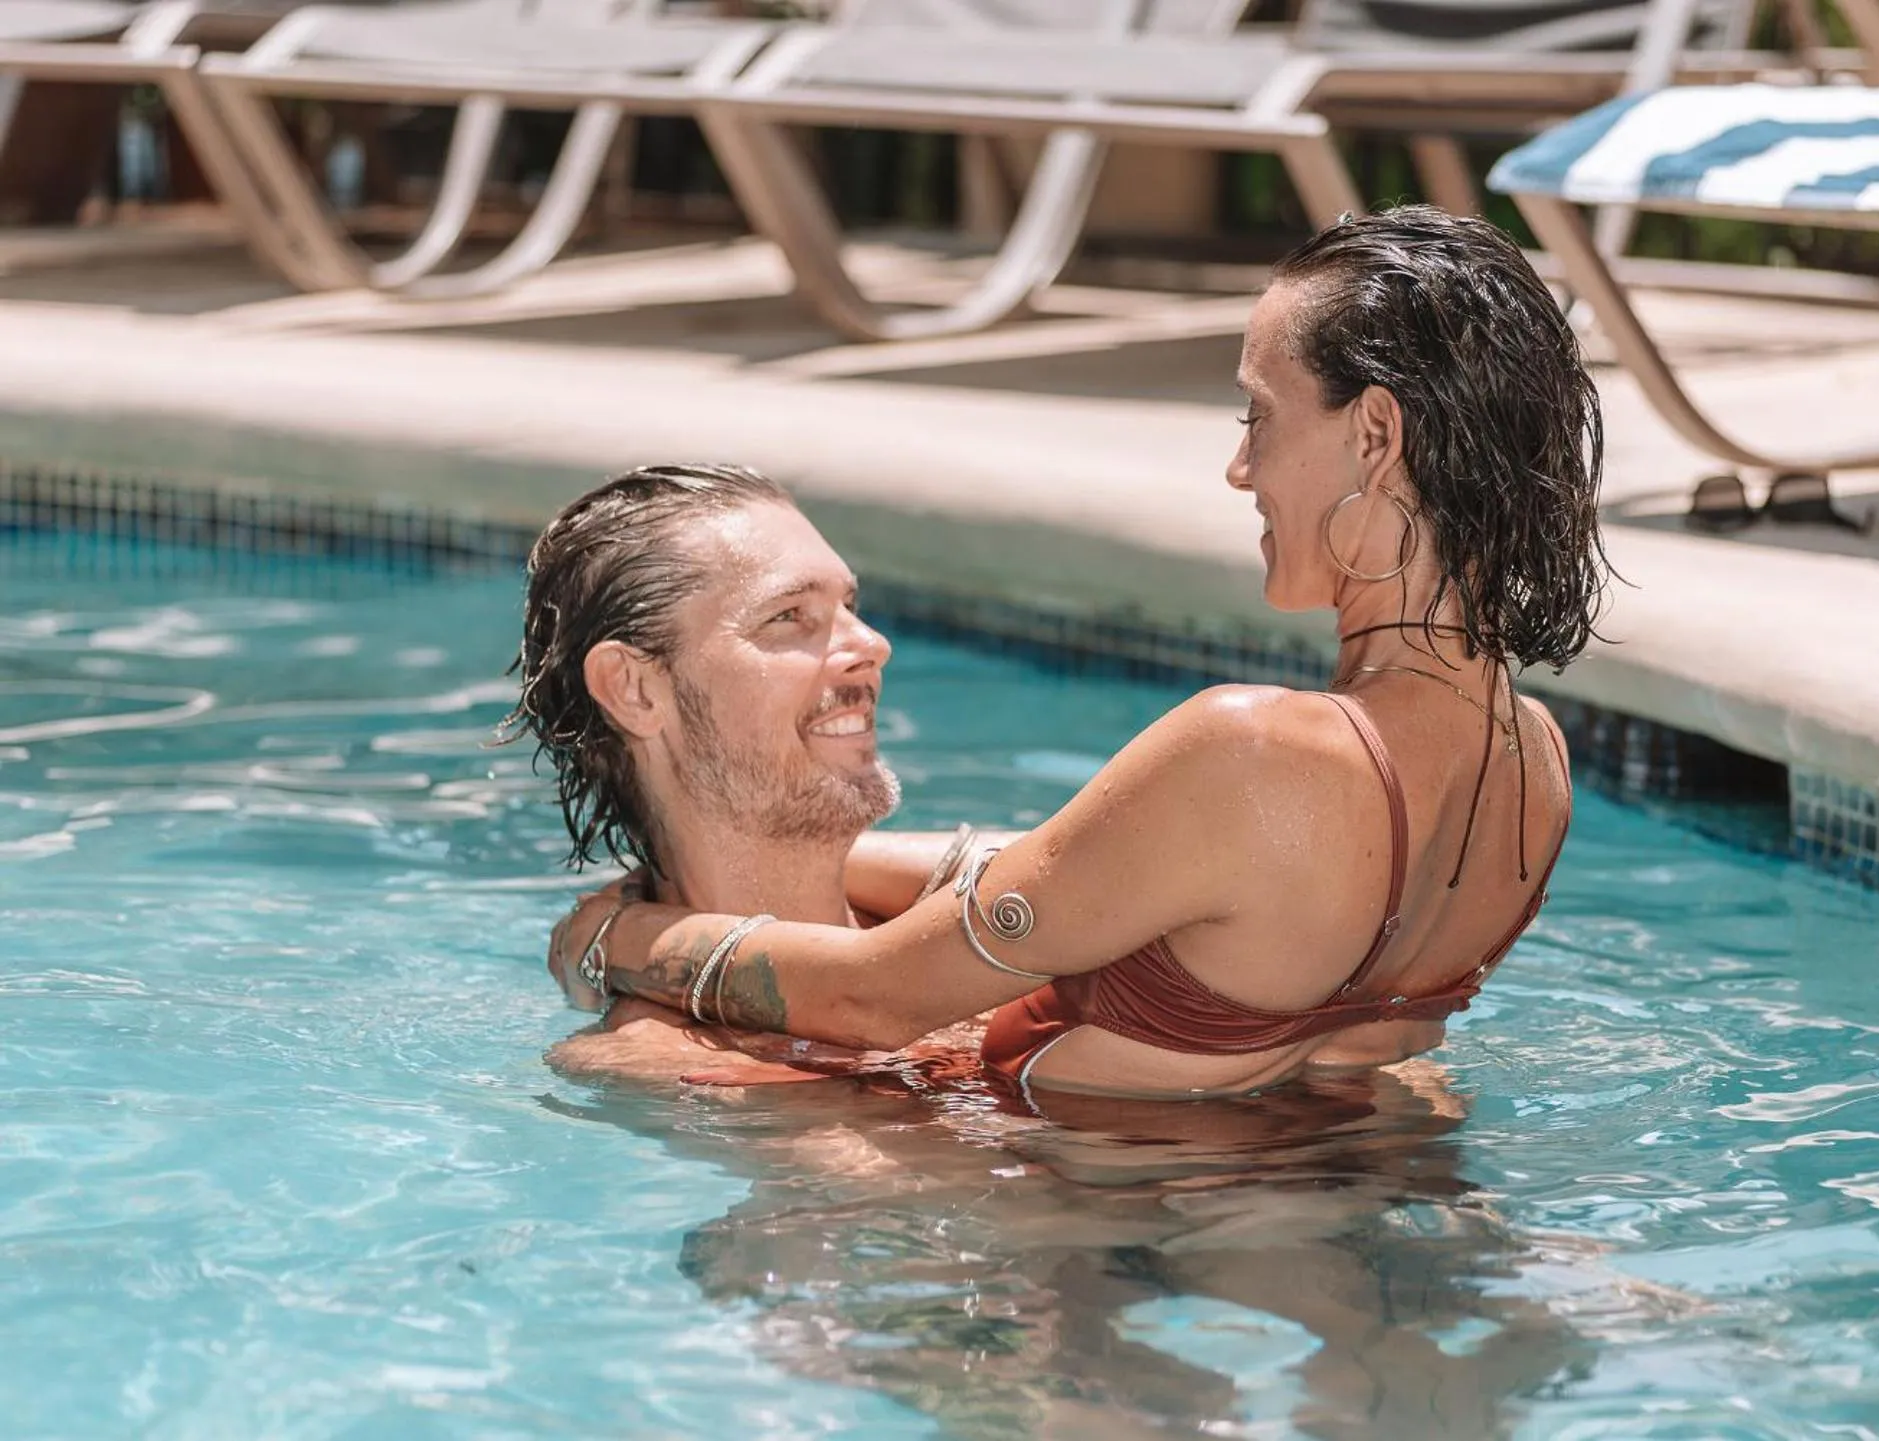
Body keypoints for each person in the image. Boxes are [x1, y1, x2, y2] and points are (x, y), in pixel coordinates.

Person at [555, 205, 1608, 1110]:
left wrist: (621, 936)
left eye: (1260, 413)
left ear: (1376, 435)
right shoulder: (1532, 768)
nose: (1240, 466)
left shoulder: (1254, 755)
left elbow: (876, 994)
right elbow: (1101, 871)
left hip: (1073, 1279)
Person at [505, 460, 995, 1083]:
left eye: (849, 605)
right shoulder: (676, 1064)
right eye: (789, 615)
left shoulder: (967, 914)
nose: (873, 644)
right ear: (633, 689)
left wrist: (623, 937)